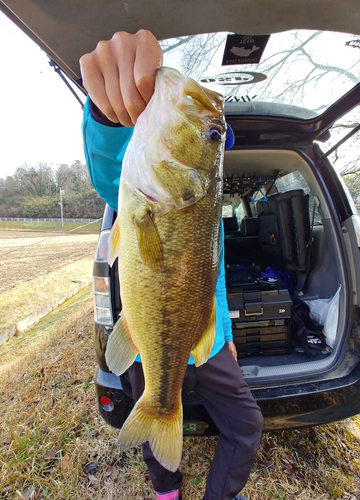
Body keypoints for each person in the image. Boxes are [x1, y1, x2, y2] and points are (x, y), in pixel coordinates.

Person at [80, 29, 263, 500]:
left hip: (209, 342)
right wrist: (106, 115)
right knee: (152, 405)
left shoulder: (200, 205)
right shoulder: (145, 188)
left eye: (215, 135)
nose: (210, 134)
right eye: (214, 134)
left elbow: (208, 281)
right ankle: (167, 490)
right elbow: (108, 169)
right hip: (148, 342)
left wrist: (225, 336)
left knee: (247, 424)